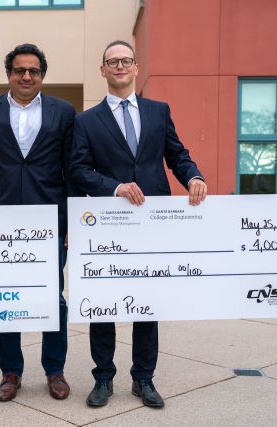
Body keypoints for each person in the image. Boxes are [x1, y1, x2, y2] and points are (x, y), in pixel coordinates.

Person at [70, 40, 207, 409]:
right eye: (112, 61)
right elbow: (78, 170)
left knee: (148, 304)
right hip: (109, 224)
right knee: (104, 304)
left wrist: (193, 177)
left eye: (125, 60)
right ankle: (103, 378)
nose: (119, 66)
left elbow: (177, 154)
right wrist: (114, 187)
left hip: (153, 221)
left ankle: (144, 379)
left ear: (134, 67)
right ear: (102, 70)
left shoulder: (159, 111)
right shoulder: (85, 121)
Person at [0, 43, 76, 401]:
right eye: (20, 70)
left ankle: (55, 370)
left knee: (54, 301)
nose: (27, 76)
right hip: (0, 222)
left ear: (42, 76)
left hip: (49, 221)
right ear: (9, 75)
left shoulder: (64, 112)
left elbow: (71, 170)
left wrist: (69, 223)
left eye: (33, 71)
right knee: (5, 298)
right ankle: (11, 371)